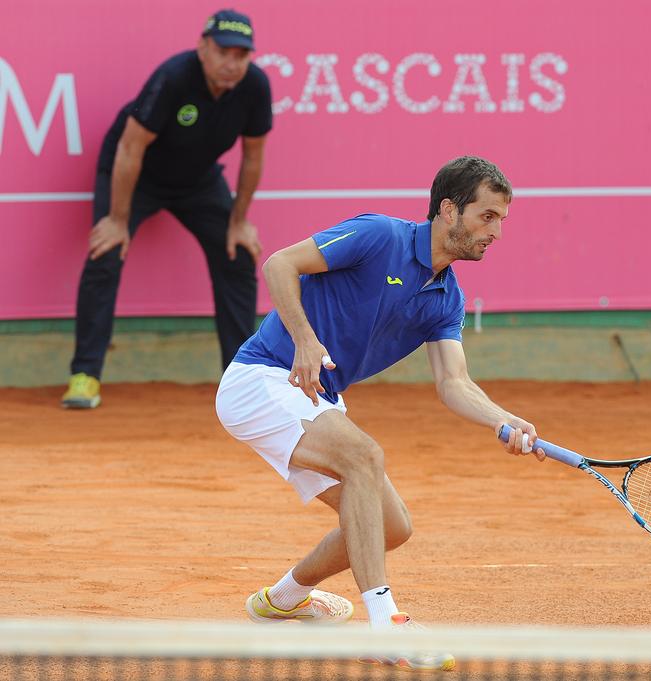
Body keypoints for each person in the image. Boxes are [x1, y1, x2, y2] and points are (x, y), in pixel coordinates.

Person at [215, 156, 545, 672]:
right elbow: (280, 264)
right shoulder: (379, 236)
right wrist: (304, 339)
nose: (496, 232)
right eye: (487, 217)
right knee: (364, 457)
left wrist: (503, 420)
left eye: (501, 219)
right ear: (449, 210)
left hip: (316, 396)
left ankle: (282, 599)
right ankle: (384, 625)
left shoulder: (447, 297)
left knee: (390, 526)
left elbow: (454, 382)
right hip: (262, 378)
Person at [61, 9, 272, 409]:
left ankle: (241, 379)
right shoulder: (174, 77)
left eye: (241, 55)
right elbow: (130, 147)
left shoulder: (255, 86)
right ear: (203, 48)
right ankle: (85, 375)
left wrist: (238, 221)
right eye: (223, 52)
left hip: (198, 180)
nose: (232, 63)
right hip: (135, 174)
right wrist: (118, 220)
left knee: (238, 252)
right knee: (107, 250)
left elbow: (253, 155)